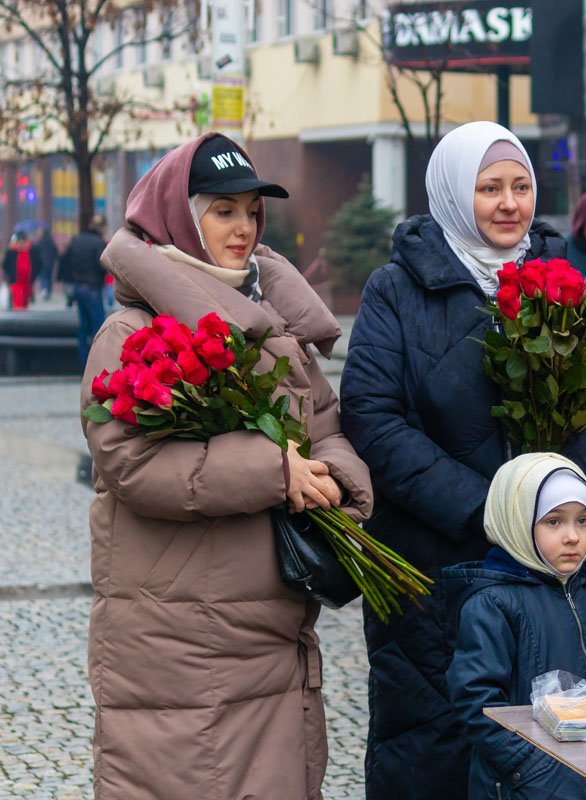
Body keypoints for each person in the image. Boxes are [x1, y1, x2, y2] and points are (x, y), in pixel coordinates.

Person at [80, 132, 373, 800]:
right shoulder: (129, 333)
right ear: (180, 217)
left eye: (251, 212)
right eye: (223, 211)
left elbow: (326, 426)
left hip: (269, 625)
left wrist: (333, 476)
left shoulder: (270, 320)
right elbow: (129, 462)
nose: (242, 228)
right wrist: (275, 469)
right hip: (179, 635)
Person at [339, 121, 586, 800]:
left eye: (520, 186)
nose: (508, 203)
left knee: (552, 748)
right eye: (489, 188)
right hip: (435, 564)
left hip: (551, 565)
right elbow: (373, 417)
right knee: (433, 743)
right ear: (455, 195)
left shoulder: (562, 283)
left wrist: (551, 510)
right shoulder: (397, 289)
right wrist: (487, 509)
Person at [444, 453, 586, 800]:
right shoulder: (493, 604)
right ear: (517, 521)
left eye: (582, 521)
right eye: (554, 522)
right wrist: (528, 764)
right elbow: (477, 701)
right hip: (532, 785)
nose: (572, 537)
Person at [58, 216, 109, 366]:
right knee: (97, 327)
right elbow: (102, 264)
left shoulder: (77, 241)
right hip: (92, 288)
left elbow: (65, 261)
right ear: (101, 228)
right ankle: (96, 363)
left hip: (78, 287)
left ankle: (83, 362)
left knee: (83, 327)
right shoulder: (99, 243)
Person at [2, 231, 34, 310]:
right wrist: (8, 277)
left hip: (28, 282)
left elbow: (38, 264)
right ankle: (19, 320)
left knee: (25, 302)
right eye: (20, 241)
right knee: (18, 303)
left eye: (23, 241)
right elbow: (5, 265)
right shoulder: (11, 252)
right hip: (16, 282)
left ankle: (24, 318)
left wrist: (34, 276)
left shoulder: (32, 252)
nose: (22, 244)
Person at [32, 224, 59, 301]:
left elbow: (36, 252)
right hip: (50, 262)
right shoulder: (51, 242)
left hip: (41, 262)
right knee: (48, 276)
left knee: (43, 276)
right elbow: (55, 252)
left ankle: (44, 289)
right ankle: (48, 290)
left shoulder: (40, 242)